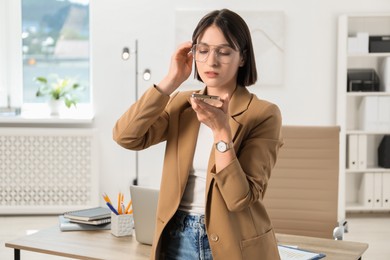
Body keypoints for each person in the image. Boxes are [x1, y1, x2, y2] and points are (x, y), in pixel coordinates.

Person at [113, 9, 283, 260]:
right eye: (203, 50)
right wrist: (170, 81)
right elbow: (126, 136)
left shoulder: (263, 114)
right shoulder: (182, 104)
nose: (211, 61)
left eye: (224, 52)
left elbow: (239, 199)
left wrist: (221, 132)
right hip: (176, 238)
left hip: (234, 244)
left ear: (242, 58)